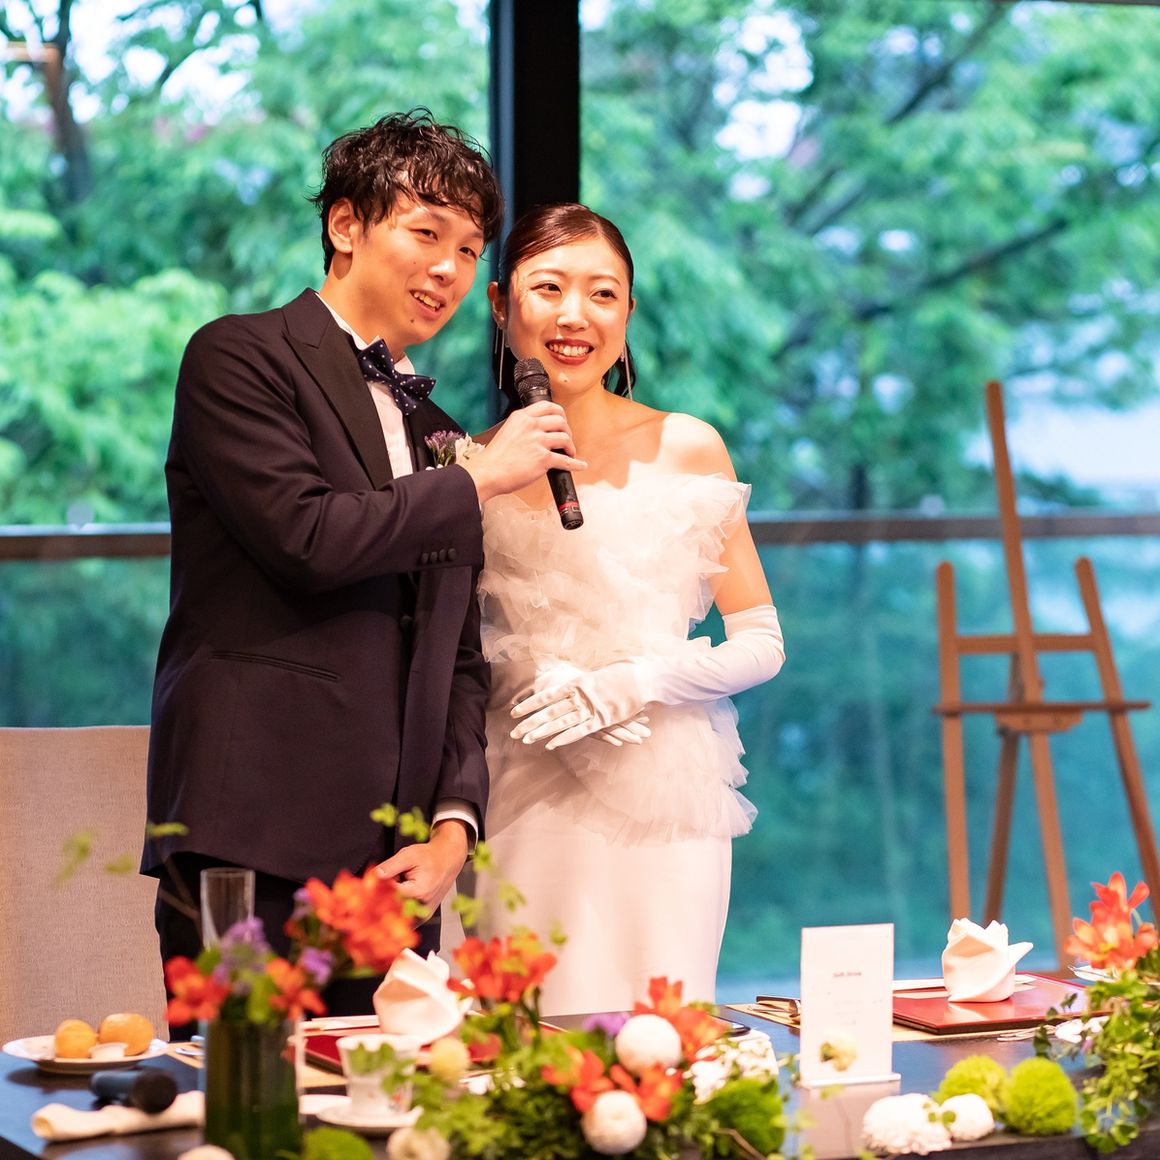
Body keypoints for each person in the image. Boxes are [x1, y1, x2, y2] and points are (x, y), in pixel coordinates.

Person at [140, 110, 584, 1021]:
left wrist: (454, 820)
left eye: (469, 250)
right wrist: (478, 479)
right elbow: (306, 537)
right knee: (249, 1089)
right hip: (253, 826)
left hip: (397, 857)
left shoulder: (438, 431)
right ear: (346, 225)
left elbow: (459, 652)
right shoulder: (240, 355)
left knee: (389, 1091)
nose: (449, 269)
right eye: (427, 233)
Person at [472, 203, 786, 1015]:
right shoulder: (469, 468)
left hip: (664, 794)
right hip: (523, 789)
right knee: (528, 1040)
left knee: (661, 1034)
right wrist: (536, 676)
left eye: (602, 294)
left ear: (628, 314)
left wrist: (638, 681)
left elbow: (762, 641)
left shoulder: (689, 445)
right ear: (502, 304)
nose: (575, 315)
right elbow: (453, 655)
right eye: (549, 288)